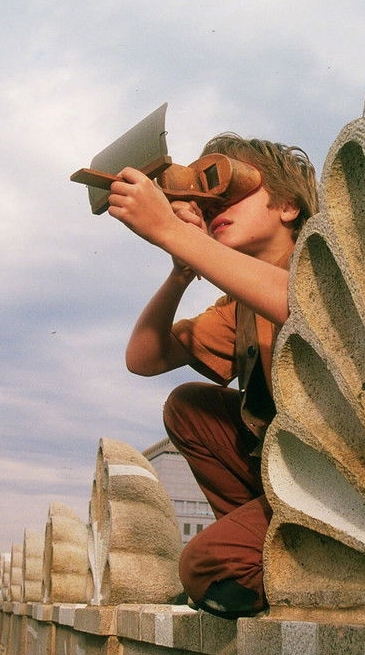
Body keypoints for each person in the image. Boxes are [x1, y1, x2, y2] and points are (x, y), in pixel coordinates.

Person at [106, 133, 317, 618]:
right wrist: (181, 269)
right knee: (189, 407)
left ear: (287, 207)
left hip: (343, 477)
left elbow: (302, 303)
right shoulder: (239, 305)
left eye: (233, 193)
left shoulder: (322, 265)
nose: (215, 206)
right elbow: (144, 358)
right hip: (288, 482)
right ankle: (268, 542)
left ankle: (270, 557)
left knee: (205, 564)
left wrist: (173, 231)